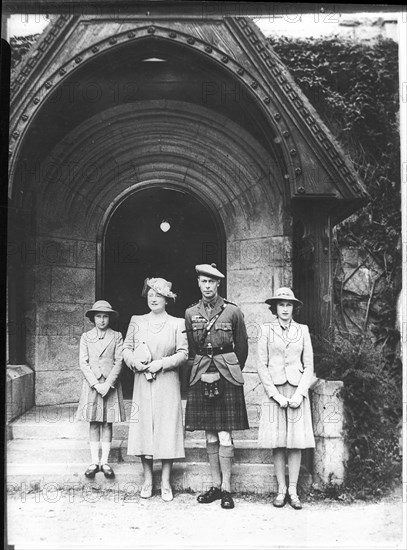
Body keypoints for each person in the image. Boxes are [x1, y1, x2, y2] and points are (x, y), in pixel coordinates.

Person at [184, 263, 249, 510]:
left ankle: (227, 489)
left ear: (218, 283)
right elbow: (191, 347)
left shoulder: (232, 311)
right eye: (203, 281)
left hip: (227, 372)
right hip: (202, 371)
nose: (208, 286)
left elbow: (242, 346)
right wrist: (201, 369)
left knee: (224, 434)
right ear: (198, 283)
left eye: (212, 282)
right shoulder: (190, 312)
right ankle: (214, 485)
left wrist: (229, 366)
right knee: (209, 433)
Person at [123, 277, 188, 502]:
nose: (153, 299)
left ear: (167, 299)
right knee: (143, 429)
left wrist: (162, 363)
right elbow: (126, 348)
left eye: (158, 295)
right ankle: (148, 480)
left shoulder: (177, 323)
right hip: (143, 381)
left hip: (167, 381)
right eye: (150, 294)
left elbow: (183, 353)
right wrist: (134, 362)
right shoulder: (136, 321)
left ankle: (166, 481)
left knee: (167, 428)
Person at [257, 287, 315, 510]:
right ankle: (281, 489)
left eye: (288, 304)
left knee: (295, 442)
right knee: (278, 442)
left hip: (296, 391)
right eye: (281, 304)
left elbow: (309, 365)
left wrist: (300, 394)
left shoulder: (303, 330)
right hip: (275, 393)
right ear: (275, 307)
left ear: (294, 307)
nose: (284, 308)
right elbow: (261, 365)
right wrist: (275, 395)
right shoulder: (265, 330)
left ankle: (293, 489)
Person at [76, 300, 126, 479]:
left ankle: (105, 462)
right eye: (98, 316)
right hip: (93, 385)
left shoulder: (117, 336)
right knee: (94, 422)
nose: (102, 320)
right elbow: (83, 362)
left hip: (110, 384)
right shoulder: (86, 337)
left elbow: (119, 361)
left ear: (110, 318)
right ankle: (93, 462)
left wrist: (108, 384)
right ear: (93, 318)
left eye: (105, 316)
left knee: (107, 422)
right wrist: (96, 384)